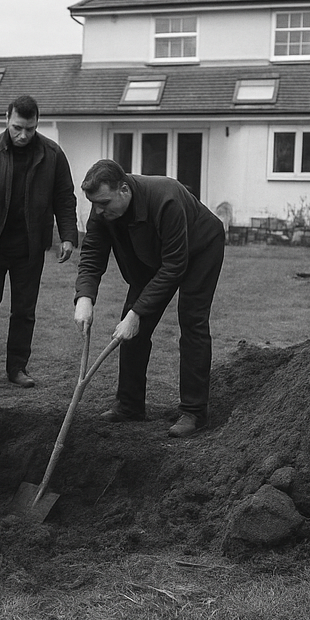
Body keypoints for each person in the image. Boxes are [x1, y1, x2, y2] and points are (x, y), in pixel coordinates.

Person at [73, 159, 225, 438]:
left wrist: (137, 313)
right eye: (93, 203)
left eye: (104, 203)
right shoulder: (103, 209)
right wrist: (84, 297)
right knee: (129, 330)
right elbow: (93, 253)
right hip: (152, 256)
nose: (97, 210)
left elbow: (175, 265)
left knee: (192, 322)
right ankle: (130, 405)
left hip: (199, 249)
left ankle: (194, 412)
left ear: (124, 190)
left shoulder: (166, 198)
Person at [0, 95, 79, 390]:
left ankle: (17, 368)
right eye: (17, 128)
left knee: (24, 310)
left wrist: (68, 236)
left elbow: (64, 197)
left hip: (30, 247)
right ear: (6, 119)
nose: (23, 134)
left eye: (30, 128)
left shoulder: (53, 154)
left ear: (37, 123)